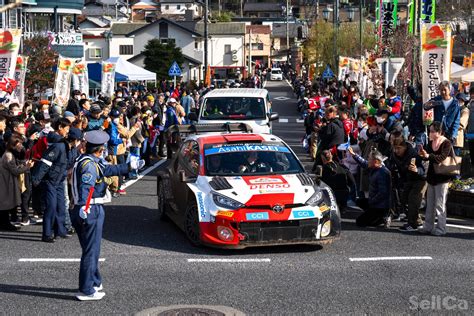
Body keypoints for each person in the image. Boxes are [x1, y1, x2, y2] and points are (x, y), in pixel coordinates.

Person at [70, 130, 144, 301]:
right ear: (101, 149)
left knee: (91, 249)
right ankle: (86, 288)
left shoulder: (88, 160)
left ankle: (95, 281)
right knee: (91, 251)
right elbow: (86, 188)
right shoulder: (89, 164)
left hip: (83, 208)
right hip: (90, 209)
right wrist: (85, 206)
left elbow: (107, 169)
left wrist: (129, 167)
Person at [32, 118, 71, 242]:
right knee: (51, 207)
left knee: (60, 206)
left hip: (59, 178)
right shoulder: (58, 145)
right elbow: (45, 162)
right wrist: (36, 178)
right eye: (66, 129)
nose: (67, 132)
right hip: (51, 180)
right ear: (60, 127)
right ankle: (47, 233)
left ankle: (60, 230)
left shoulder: (61, 143)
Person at [417, 121, 456, 236]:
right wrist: (423, 155)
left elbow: (441, 157)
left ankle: (441, 228)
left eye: (433, 131)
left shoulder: (446, 143)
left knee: (440, 204)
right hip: (432, 176)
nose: (430, 133)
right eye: (430, 130)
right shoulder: (430, 142)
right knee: (430, 204)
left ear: (439, 132)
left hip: (443, 178)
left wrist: (429, 156)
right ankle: (428, 226)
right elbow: (428, 158)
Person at [387, 133, 428, 231]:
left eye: (399, 148)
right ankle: (417, 222)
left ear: (404, 146)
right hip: (407, 179)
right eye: (395, 148)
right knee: (404, 200)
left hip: (420, 179)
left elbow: (424, 169)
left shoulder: (413, 153)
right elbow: (392, 165)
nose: (396, 151)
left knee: (413, 200)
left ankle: (412, 224)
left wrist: (417, 170)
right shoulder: (394, 154)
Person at [348, 147, 392, 227]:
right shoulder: (375, 167)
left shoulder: (383, 173)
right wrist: (354, 155)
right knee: (359, 201)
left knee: (360, 222)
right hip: (375, 201)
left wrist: (371, 202)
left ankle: (383, 218)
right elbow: (364, 163)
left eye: (369, 158)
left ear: (375, 161)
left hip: (381, 206)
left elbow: (383, 193)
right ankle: (372, 214)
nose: (367, 160)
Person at [0, 135, 34, 231]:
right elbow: (15, 171)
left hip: (6, 180)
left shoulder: (9, 154)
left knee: (5, 203)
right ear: (13, 145)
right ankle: (5, 224)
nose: (21, 146)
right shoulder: (8, 155)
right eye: (19, 144)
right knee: (5, 203)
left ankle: (5, 223)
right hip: (6, 182)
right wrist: (27, 166)